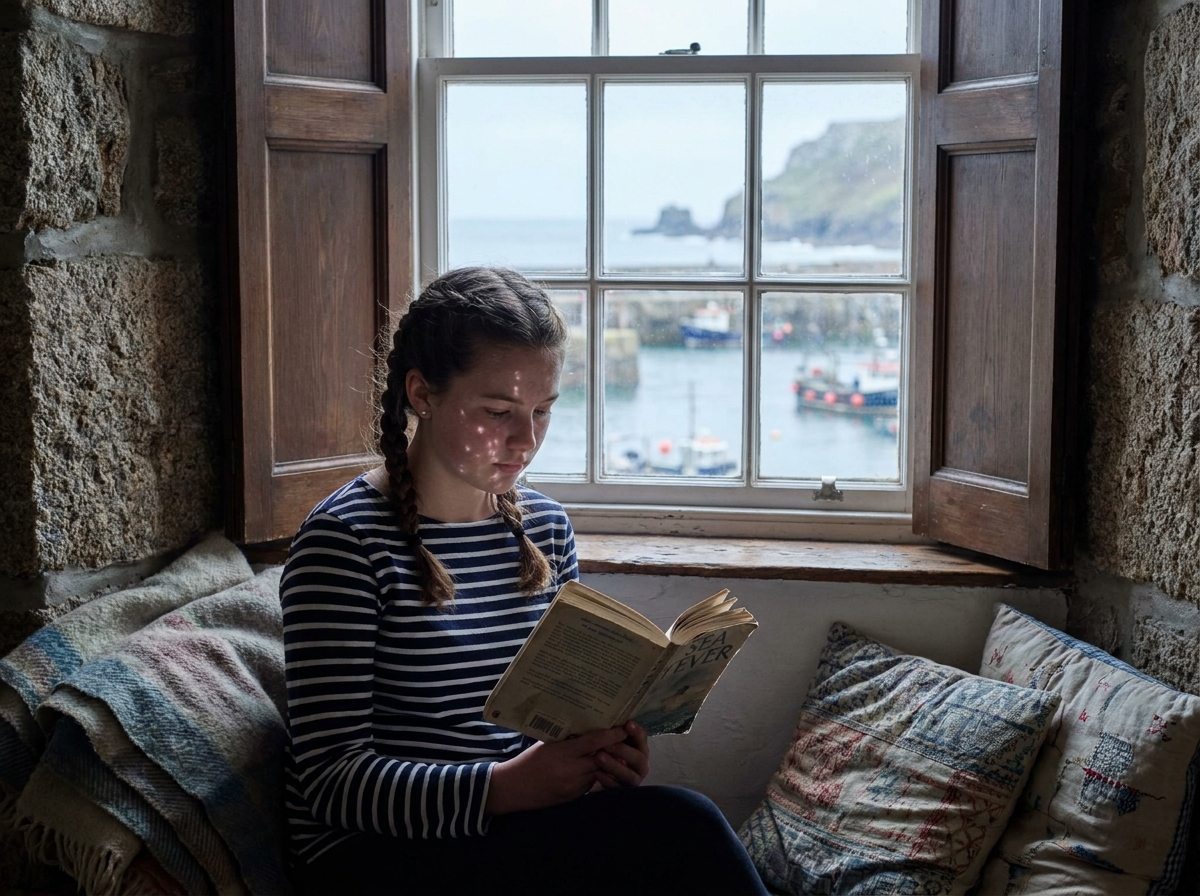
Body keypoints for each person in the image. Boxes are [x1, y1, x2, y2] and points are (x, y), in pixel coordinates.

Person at [280, 267, 768, 895]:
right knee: (684, 827)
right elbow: (330, 784)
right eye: (498, 412)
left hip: (507, 830)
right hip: (378, 855)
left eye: (542, 411)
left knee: (670, 834)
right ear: (421, 393)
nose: (526, 440)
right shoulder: (344, 541)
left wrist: (599, 757)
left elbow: (547, 721)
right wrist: (506, 787)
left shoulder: (545, 529)